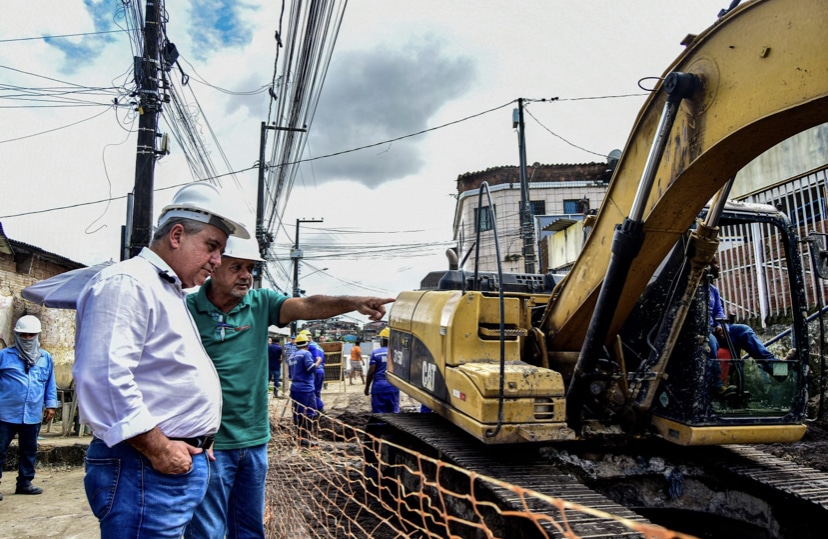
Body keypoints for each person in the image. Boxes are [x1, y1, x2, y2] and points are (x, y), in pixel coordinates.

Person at [184, 235, 394, 539]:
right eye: (237, 267)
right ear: (214, 265)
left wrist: (355, 302)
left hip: (254, 440)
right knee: (206, 532)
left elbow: (307, 305)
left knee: (249, 529)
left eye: (251, 269)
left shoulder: (260, 303)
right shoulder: (186, 308)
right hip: (208, 445)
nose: (246, 276)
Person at [73, 182, 249, 538]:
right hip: (144, 467)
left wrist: (198, 433)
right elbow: (104, 377)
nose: (217, 261)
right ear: (177, 235)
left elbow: (163, 374)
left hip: (164, 464)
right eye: (212, 247)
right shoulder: (128, 283)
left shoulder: (165, 289)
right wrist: (159, 448)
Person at [707, 256, 795, 394]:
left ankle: (777, 370)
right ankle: (716, 386)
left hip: (717, 331)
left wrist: (721, 326)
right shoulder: (693, 289)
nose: (718, 267)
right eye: (714, 263)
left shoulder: (713, 290)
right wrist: (711, 328)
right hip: (703, 333)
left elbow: (719, 312)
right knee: (709, 341)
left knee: (744, 330)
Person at [0, 315, 57, 500]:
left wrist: (51, 405)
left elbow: (50, 383)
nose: (26, 339)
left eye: (30, 335)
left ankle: (25, 483)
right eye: (23, 335)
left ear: (37, 336)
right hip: (5, 413)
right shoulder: (4, 356)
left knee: (29, 450)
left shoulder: (45, 358)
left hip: (32, 413)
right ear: (16, 335)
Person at [287, 333, 320, 446]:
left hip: (295, 388)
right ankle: (305, 438)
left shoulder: (292, 356)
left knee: (297, 412)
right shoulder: (306, 354)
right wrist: (318, 362)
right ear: (307, 343)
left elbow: (290, 375)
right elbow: (310, 368)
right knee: (310, 412)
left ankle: (299, 437)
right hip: (306, 388)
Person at [365, 327, 400, 413]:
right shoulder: (396, 353)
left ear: (382, 340)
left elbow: (371, 372)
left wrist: (367, 387)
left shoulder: (376, 353)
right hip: (393, 387)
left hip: (379, 388)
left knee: (379, 415)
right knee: (394, 414)